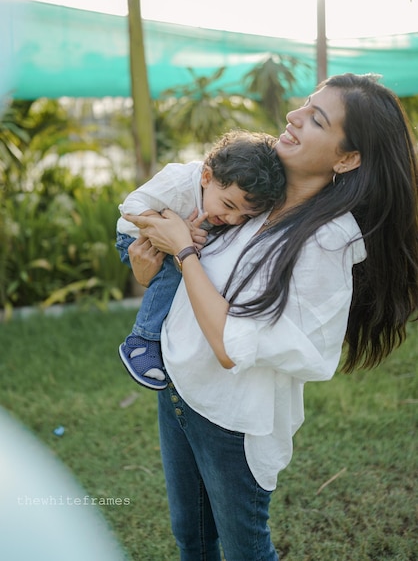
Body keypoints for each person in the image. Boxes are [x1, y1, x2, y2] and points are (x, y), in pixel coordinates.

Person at [123, 73, 418, 560]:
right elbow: (190, 285)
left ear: (347, 158)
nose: (293, 116)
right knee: (191, 538)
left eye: (317, 119)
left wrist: (183, 253)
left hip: (231, 421)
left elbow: (230, 345)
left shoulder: (327, 241)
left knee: (245, 550)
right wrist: (148, 266)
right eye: (304, 105)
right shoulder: (258, 194)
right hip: (178, 390)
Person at [115, 130, 285, 390]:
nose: (233, 219)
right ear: (207, 177)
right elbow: (131, 206)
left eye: (245, 216)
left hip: (175, 244)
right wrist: (177, 229)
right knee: (173, 272)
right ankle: (142, 340)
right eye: (228, 205)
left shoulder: (222, 203)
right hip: (136, 239)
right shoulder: (178, 180)